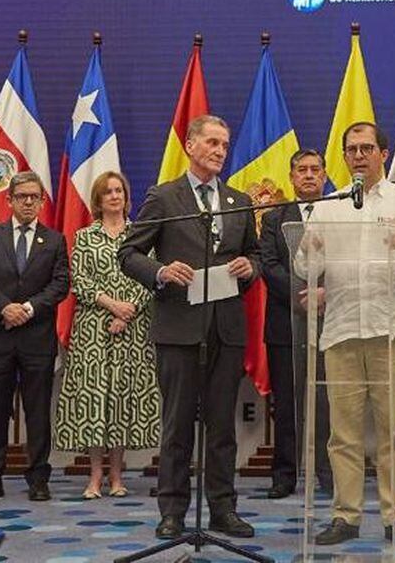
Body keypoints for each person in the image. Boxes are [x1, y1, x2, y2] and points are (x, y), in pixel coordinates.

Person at [119, 115, 260, 540]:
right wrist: (161, 272)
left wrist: (248, 266)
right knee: (177, 424)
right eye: (212, 142)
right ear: (191, 145)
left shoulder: (239, 200)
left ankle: (222, 509)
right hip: (179, 327)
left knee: (221, 426)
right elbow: (128, 253)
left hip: (226, 328)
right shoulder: (164, 197)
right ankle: (173, 512)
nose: (219, 151)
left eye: (224, 144)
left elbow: (254, 257)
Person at [308, 122, 395, 549]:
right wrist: (307, 253)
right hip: (342, 330)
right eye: (352, 149)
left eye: (367, 148)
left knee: (394, 433)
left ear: (384, 154)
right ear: (344, 157)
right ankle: (345, 516)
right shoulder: (328, 205)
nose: (359, 155)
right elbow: (301, 267)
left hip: (391, 331)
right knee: (342, 434)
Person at [0, 171, 70, 503]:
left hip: (36, 339)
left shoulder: (54, 240)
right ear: (9, 200)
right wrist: (5, 308)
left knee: (38, 412)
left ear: (42, 201)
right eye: (21, 196)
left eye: (34, 197)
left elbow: (60, 284)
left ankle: (38, 477)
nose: (28, 202)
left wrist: (26, 308)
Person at [55, 171, 159, 499]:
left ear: (127, 197)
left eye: (119, 191)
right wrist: (112, 305)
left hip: (133, 327)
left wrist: (128, 311)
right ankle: (94, 476)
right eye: (107, 192)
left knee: (122, 402)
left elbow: (151, 277)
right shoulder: (86, 237)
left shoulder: (141, 235)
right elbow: (80, 281)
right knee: (95, 402)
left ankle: (117, 476)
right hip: (93, 329)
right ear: (98, 200)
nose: (114, 196)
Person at [258, 148, 332, 499]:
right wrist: (303, 295)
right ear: (291, 177)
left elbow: (347, 262)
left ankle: (328, 472)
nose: (308, 175)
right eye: (301, 170)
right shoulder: (275, 219)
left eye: (315, 169)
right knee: (286, 404)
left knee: (328, 402)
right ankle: (285, 474)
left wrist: (324, 294)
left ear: (325, 174)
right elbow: (269, 266)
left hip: (332, 319)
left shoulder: (340, 212)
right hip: (285, 322)